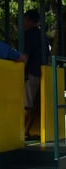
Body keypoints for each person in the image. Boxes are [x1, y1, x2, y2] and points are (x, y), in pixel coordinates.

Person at [24, 9, 49, 140]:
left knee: (27, 104)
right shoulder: (42, 35)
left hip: (30, 73)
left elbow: (25, 56)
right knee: (30, 102)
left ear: (28, 19)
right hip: (39, 72)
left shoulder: (29, 35)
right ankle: (26, 130)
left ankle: (23, 131)